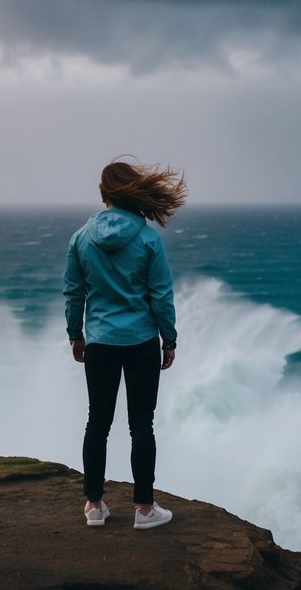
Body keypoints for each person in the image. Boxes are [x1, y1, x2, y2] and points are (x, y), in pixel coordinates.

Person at [64, 158, 186, 530]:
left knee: (97, 423)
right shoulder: (149, 238)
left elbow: (74, 293)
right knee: (141, 425)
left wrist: (76, 334)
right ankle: (145, 510)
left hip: (100, 341)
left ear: (104, 194)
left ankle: (94, 505)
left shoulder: (81, 238)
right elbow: (161, 295)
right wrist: (169, 338)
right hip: (140, 342)